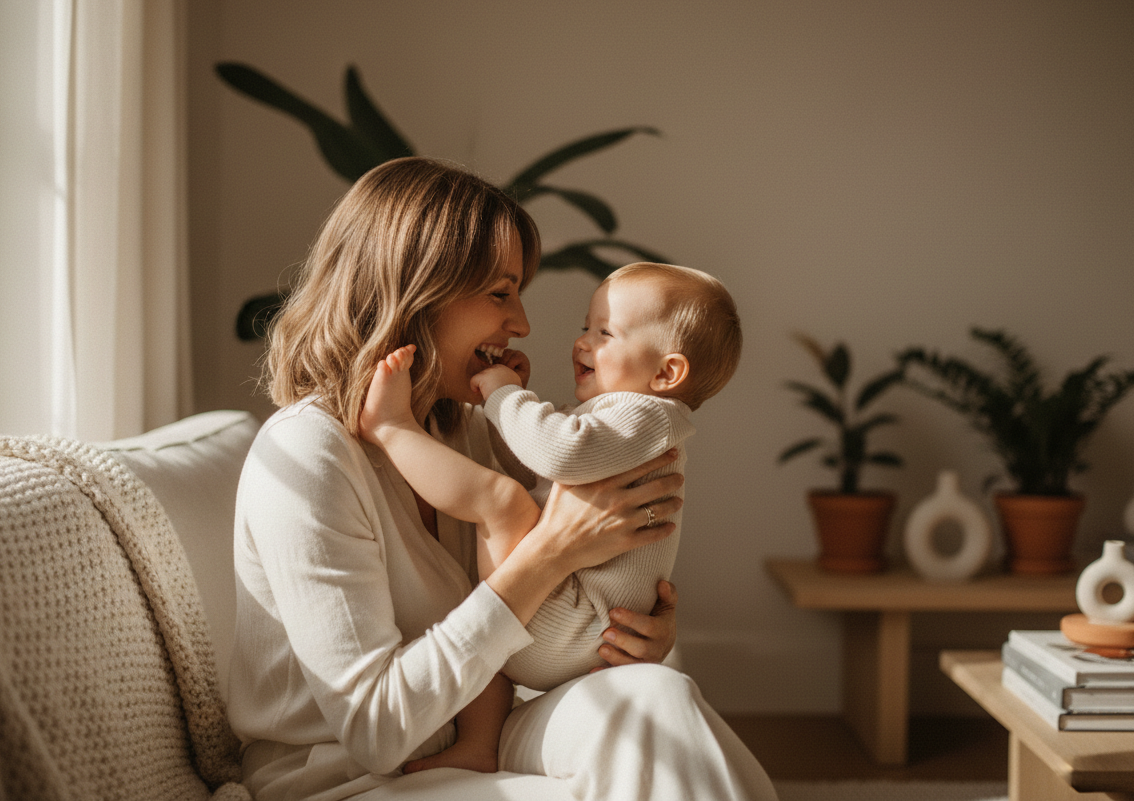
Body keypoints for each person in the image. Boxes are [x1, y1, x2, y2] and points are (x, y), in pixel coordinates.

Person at [227, 156, 778, 801]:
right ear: (418, 290)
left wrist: (636, 632)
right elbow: (376, 733)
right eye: (499, 292)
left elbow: (576, 542)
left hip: (476, 736)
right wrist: (546, 555)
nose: (521, 324)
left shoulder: (461, 429)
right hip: (352, 777)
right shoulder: (308, 454)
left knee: (659, 698)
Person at [359, 262, 742, 775]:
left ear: (666, 374)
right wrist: (506, 406)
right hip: (582, 629)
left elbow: (556, 454)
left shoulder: (644, 413)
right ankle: (480, 745)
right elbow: (534, 466)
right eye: (586, 326)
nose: (581, 343)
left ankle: (391, 427)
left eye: (604, 333)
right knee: (485, 588)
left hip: (576, 623)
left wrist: (503, 395)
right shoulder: (617, 421)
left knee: (498, 505)